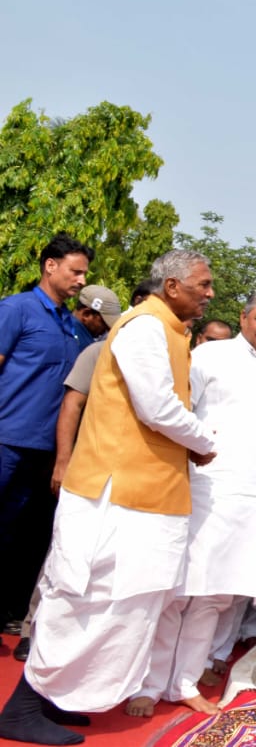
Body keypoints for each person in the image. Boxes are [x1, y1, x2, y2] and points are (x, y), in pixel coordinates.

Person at [0, 250, 217, 746]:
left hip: (143, 495)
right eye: (202, 284)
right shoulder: (145, 327)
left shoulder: (171, 331)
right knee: (82, 597)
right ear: (171, 287)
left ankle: (57, 699)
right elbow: (157, 405)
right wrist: (205, 441)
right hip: (112, 493)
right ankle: (23, 706)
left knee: (119, 603)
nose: (209, 293)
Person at [129, 289, 256, 717]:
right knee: (176, 592)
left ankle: (185, 683)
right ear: (244, 317)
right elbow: (175, 412)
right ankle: (150, 683)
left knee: (215, 596)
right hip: (202, 489)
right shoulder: (210, 358)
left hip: (255, 498)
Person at [0, 234, 95, 642]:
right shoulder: (16, 310)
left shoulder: (72, 327)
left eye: (84, 274)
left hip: (45, 454)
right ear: (50, 266)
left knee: (17, 537)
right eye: (75, 272)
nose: (80, 281)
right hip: (6, 441)